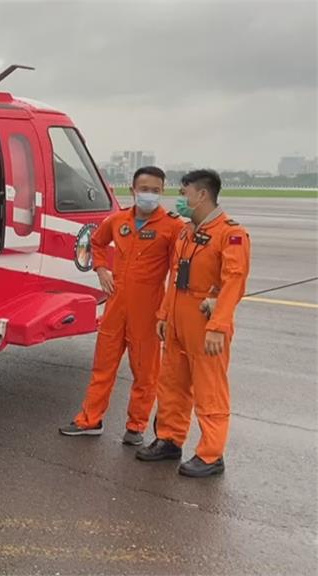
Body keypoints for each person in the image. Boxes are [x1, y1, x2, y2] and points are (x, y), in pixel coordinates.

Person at [137, 169, 250, 477]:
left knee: (209, 389)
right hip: (177, 320)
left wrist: (218, 326)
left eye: (184, 193)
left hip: (205, 322)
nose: (180, 199)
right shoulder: (187, 232)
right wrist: (163, 315)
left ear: (202, 195)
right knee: (172, 384)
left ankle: (211, 455)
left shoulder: (231, 233)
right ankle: (169, 439)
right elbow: (175, 277)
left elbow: (233, 283)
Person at [59, 166, 183, 446]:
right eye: (144, 189)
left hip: (148, 310)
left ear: (162, 191)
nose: (149, 194)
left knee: (145, 373)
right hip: (116, 306)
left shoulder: (172, 227)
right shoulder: (117, 221)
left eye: (154, 190)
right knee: (103, 366)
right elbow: (96, 242)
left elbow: (178, 270)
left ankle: (135, 427)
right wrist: (101, 269)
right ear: (133, 189)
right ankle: (89, 420)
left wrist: (167, 311)